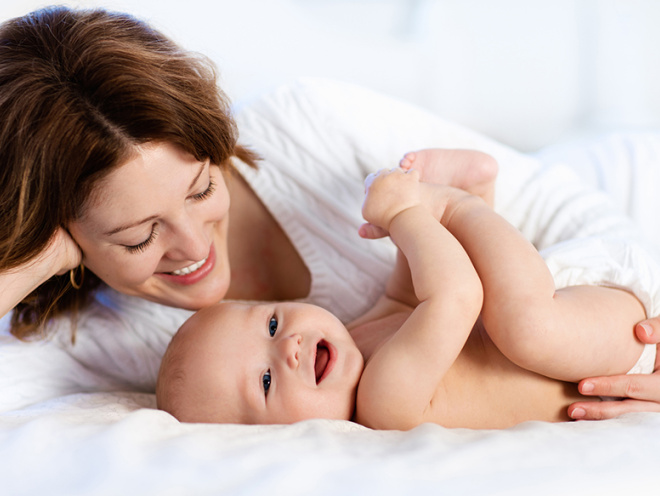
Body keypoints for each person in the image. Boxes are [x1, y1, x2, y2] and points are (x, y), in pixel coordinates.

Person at [1, 6, 659, 419]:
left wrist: (423, 211)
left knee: (527, 325)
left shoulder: (304, 124)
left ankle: (460, 195)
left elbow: (560, 213)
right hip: (488, 264)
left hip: (604, 216)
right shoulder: (97, 335)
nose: (190, 245)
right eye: (138, 235)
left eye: (202, 188)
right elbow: (431, 296)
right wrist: (43, 254)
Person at [156, 157, 655, 429]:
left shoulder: (355, 335)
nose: (287, 347)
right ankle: (460, 203)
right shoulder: (382, 403)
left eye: (270, 325)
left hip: (595, 307)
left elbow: (406, 293)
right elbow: (454, 298)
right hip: (612, 356)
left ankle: (468, 199)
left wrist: (406, 238)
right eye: (264, 382)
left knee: (527, 326)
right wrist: (406, 217)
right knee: (524, 327)